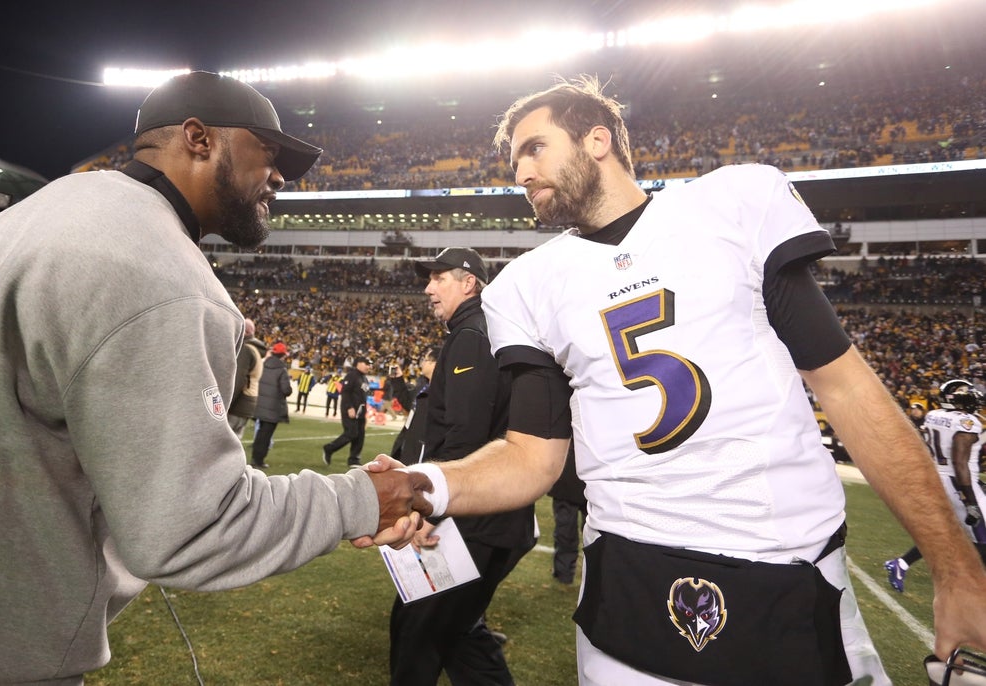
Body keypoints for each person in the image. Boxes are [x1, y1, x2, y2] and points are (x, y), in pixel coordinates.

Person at [378, 77, 986, 685]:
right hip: (626, 567)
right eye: (514, 160)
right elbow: (531, 458)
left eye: (534, 148)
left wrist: (957, 571)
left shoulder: (730, 204)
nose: (521, 172)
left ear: (597, 141)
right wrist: (422, 484)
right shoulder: (526, 285)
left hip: (786, 558)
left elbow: (845, 388)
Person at [0, 71, 432, 685]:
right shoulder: (157, 270)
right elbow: (193, 528)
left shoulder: (40, 211)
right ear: (199, 138)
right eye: (268, 152)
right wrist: (363, 499)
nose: (281, 177)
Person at [387, 247, 536, 686]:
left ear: (469, 282)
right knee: (457, 635)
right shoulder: (480, 330)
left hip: (471, 517)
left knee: (418, 634)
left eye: (439, 278)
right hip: (485, 514)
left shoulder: (472, 334)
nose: (428, 288)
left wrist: (431, 508)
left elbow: (465, 435)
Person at [886, 379, 986, 592]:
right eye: (966, 394)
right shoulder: (967, 422)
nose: (972, 400)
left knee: (949, 531)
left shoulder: (934, 415)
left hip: (939, 478)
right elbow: (960, 463)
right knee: (982, 537)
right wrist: (970, 500)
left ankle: (901, 563)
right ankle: (969, 582)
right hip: (959, 482)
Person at [391, 346, 439, 465]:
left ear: (435, 363)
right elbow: (408, 403)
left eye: (425, 360)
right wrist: (398, 380)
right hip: (408, 440)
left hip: (421, 449)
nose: (422, 363)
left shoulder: (442, 391)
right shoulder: (423, 385)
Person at [548, 443, 587, 585]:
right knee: (569, 530)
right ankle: (566, 573)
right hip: (585, 475)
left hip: (570, 472)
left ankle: (564, 573)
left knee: (566, 529)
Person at [323, 355, 371, 467]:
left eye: (369, 364)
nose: (368, 366)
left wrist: (365, 413)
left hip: (360, 412)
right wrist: (349, 407)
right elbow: (345, 392)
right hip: (350, 410)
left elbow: (363, 396)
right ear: (358, 363)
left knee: (360, 436)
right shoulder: (352, 375)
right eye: (366, 364)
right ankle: (329, 448)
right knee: (351, 433)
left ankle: (354, 459)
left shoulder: (364, 378)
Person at [251, 341, 292, 468]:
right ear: (283, 355)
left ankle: (255, 458)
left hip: (260, 405)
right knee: (266, 435)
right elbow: (286, 390)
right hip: (273, 408)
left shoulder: (263, 365)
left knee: (260, 433)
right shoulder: (282, 370)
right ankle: (259, 460)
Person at [228, 317, 265, 440]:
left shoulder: (246, 349)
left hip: (239, 403)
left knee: (222, 443)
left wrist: (227, 404)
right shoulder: (256, 349)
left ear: (245, 332)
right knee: (235, 442)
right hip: (248, 402)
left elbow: (238, 379)